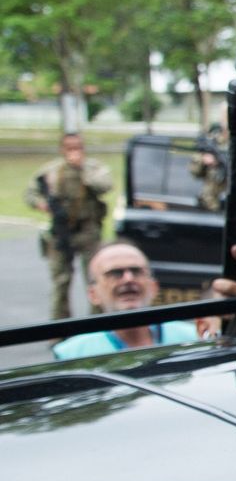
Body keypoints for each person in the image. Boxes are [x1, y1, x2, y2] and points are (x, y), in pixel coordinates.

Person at [51, 243, 198, 358]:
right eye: (115, 273)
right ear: (93, 294)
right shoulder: (73, 354)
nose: (128, 279)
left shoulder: (193, 339)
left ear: (154, 287)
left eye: (136, 271)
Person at [25, 132, 114, 320]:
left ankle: (97, 322)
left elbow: (105, 186)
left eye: (78, 147)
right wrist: (42, 204)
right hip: (61, 232)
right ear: (62, 150)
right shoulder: (51, 171)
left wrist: (82, 171)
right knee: (61, 280)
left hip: (88, 230)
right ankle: (59, 326)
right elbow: (30, 193)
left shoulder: (94, 168)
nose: (75, 151)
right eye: (70, 148)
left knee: (94, 278)